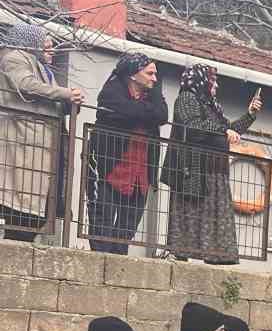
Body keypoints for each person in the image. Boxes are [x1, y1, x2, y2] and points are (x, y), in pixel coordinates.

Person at [164, 64, 258, 264]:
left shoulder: (211, 106)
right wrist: (223, 131)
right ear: (201, 82)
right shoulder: (187, 98)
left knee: (214, 218)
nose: (216, 86)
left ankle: (215, 256)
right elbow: (193, 126)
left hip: (214, 173)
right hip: (196, 170)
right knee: (189, 216)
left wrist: (249, 115)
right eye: (213, 81)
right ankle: (181, 255)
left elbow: (229, 129)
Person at [1, 22, 80, 239]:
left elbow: (50, 98)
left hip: (39, 146)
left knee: (36, 212)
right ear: (31, 43)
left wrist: (69, 103)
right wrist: (65, 94)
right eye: (47, 46)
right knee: (21, 210)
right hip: (23, 142)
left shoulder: (40, 67)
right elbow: (25, 84)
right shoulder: (14, 57)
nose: (52, 51)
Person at [88, 53, 165, 254]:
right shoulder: (111, 90)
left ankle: (118, 267)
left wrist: (137, 112)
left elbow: (161, 115)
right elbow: (122, 110)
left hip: (140, 172)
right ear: (132, 74)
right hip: (111, 166)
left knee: (127, 228)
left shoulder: (153, 91)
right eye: (150, 73)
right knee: (101, 222)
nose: (155, 79)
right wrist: (146, 113)